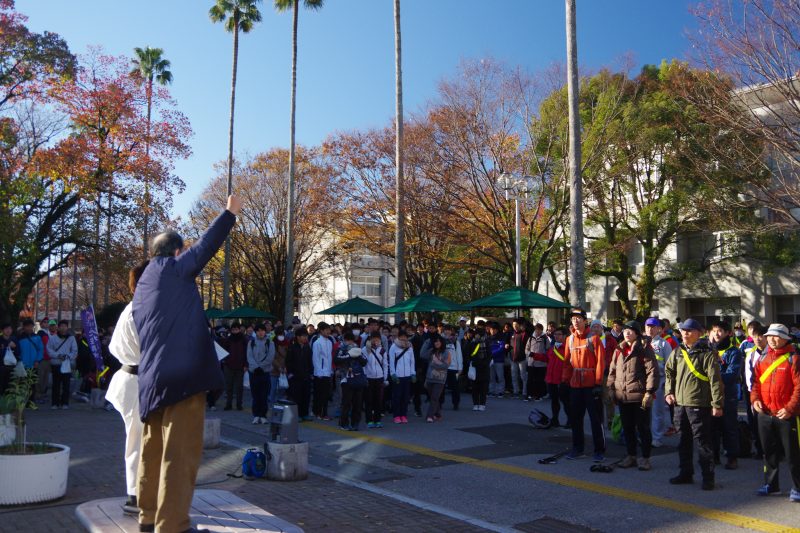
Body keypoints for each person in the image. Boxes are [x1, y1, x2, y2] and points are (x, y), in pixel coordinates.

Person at [133, 194, 240, 533]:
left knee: (152, 450)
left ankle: (148, 517)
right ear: (177, 252)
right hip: (183, 379)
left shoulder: (143, 285)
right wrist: (228, 214)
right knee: (179, 455)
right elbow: (207, 246)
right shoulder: (175, 270)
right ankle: (173, 525)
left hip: (151, 381)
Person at [107, 260, 149, 516]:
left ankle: (139, 491)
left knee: (140, 440)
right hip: (135, 380)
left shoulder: (132, 308)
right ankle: (135, 495)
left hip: (132, 379)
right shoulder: (140, 310)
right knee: (137, 440)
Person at [665, 318, 723, 491]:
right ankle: (685, 473)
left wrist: (717, 404)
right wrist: (669, 391)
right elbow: (669, 372)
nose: (685, 333)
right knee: (683, 440)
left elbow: (715, 380)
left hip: (699, 403)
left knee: (703, 442)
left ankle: (708, 477)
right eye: (683, 330)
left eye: (689, 331)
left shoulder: (706, 353)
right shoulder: (678, 352)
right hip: (680, 404)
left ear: (699, 333)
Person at [750, 323, 800, 501]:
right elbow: (755, 382)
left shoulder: (793, 359)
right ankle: (772, 486)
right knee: (768, 452)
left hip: (787, 415)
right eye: (769, 335)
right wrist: (755, 400)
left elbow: (799, 388)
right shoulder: (763, 358)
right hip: (765, 414)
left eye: (776, 336)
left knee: (793, 453)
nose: (771, 339)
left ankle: (798, 487)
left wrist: (789, 409)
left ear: (786, 338)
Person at [607, 321, 659, 470]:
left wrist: (649, 392)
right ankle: (631, 456)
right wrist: (611, 389)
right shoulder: (619, 349)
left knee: (643, 428)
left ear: (637, 333)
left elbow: (652, 372)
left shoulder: (644, 348)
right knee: (628, 427)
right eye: (625, 331)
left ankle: (645, 458)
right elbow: (612, 371)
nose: (627, 333)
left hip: (640, 396)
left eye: (630, 331)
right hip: (622, 396)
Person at [563, 307, 607, 461]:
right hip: (575, 384)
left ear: (584, 320)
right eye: (573, 319)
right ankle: (577, 448)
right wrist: (565, 380)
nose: (575, 321)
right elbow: (567, 363)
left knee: (596, 419)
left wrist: (598, 383)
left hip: (591, 385)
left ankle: (599, 450)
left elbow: (601, 362)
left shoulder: (594, 338)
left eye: (578, 318)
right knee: (575, 418)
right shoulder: (570, 339)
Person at [708, 320, 742, 469]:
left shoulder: (734, 352)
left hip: (728, 395)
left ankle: (732, 457)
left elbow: (731, 375)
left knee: (729, 426)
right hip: (710, 395)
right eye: (714, 330)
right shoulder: (707, 350)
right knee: (712, 427)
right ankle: (714, 455)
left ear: (729, 333)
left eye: (720, 330)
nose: (716, 333)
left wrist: (713, 378)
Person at [645, 318, 673, 447]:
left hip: (658, 382)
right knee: (644, 411)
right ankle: (645, 435)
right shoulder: (641, 343)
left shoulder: (664, 344)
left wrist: (668, 385)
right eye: (648, 326)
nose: (650, 329)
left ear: (659, 329)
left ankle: (657, 437)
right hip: (643, 382)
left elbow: (669, 366)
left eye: (653, 327)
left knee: (657, 412)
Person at [743, 324, 768, 458]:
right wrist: (753, 396)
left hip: (770, 394)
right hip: (756, 394)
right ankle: (760, 450)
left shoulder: (772, 353)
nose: (758, 339)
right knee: (756, 423)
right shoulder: (751, 355)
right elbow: (748, 377)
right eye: (756, 336)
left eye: (761, 336)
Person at [336, 337, 367, 431]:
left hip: (358, 380)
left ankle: (355, 423)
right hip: (346, 380)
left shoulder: (358, 349)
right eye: (347, 339)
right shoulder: (341, 350)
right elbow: (336, 360)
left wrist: (358, 355)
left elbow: (364, 362)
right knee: (346, 403)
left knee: (357, 404)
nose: (349, 342)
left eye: (351, 340)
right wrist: (349, 355)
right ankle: (343, 423)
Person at [47, 319, 77, 410]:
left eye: (65, 326)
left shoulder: (71, 338)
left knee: (66, 385)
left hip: (66, 364)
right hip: (56, 364)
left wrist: (68, 356)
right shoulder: (52, 338)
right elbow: (49, 350)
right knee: (55, 385)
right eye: (61, 326)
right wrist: (58, 355)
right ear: (58, 327)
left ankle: (65, 403)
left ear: (67, 327)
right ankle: (55, 403)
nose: (63, 328)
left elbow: (74, 351)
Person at [247, 323, 274, 424]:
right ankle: (256, 414)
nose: (261, 332)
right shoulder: (251, 342)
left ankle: (263, 415)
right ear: (256, 332)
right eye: (258, 330)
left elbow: (270, 357)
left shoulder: (270, 342)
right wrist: (255, 367)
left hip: (265, 372)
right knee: (255, 394)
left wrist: (261, 367)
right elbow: (249, 356)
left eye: (262, 330)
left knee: (264, 394)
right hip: (253, 372)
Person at [286, 327, 313, 421]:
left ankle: (304, 413)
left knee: (306, 396)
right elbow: (288, 362)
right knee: (296, 397)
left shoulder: (307, 347)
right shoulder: (292, 347)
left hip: (306, 376)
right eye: (303, 336)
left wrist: (310, 373)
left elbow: (310, 361)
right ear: (298, 337)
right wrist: (291, 374)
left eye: (306, 336)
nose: (305, 338)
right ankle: (296, 415)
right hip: (295, 377)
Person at [545, 327, 570, 428]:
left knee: (566, 402)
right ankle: (555, 419)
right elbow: (547, 358)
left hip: (562, 380)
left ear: (564, 336)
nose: (556, 336)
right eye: (555, 334)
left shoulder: (567, 348)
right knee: (554, 401)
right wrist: (535, 356)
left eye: (559, 334)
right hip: (551, 379)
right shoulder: (553, 347)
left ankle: (571, 420)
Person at [389, 330, 415, 424]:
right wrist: (393, 374)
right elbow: (391, 361)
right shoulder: (393, 347)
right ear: (398, 337)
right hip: (397, 375)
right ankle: (396, 415)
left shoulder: (410, 347)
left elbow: (412, 361)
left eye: (405, 337)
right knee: (397, 396)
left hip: (407, 375)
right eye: (402, 336)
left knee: (405, 397)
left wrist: (413, 373)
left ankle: (403, 415)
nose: (404, 338)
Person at [363, 331, 388, 428]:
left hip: (379, 378)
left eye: (378, 339)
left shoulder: (382, 350)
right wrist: (365, 376)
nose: (376, 341)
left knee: (378, 400)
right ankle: (369, 420)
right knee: (369, 400)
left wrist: (385, 377)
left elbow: (385, 365)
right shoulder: (365, 349)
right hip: (369, 378)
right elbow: (363, 364)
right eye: (374, 339)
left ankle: (377, 420)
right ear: (371, 339)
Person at [221, 323, 248, 411]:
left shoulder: (244, 339)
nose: (235, 331)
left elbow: (247, 353)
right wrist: (225, 362)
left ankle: (239, 404)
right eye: (233, 329)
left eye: (236, 329)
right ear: (231, 330)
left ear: (239, 330)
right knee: (229, 386)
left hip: (240, 366)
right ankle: (228, 404)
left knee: (239, 387)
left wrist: (246, 365)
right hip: (229, 366)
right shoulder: (228, 339)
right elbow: (224, 352)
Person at [426, 335, 452, 422]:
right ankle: (438, 414)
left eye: (438, 341)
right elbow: (422, 354)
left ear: (442, 342)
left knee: (434, 397)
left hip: (440, 379)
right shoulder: (431, 351)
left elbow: (445, 366)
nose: (436, 343)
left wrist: (434, 364)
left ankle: (430, 416)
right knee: (433, 398)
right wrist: (426, 343)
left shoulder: (446, 353)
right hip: (430, 377)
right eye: (435, 341)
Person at [311, 322, 334, 420]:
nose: (328, 331)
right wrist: (319, 371)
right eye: (326, 330)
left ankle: (324, 413)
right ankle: (317, 412)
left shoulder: (329, 342)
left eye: (329, 329)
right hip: (320, 373)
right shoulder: (317, 343)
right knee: (318, 394)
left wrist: (330, 370)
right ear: (321, 331)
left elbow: (330, 357)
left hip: (327, 372)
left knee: (326, 394)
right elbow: (315, 358)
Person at [464, 329, 490, 411]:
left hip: (484, 368)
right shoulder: (471, 344)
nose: (477, 336)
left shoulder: (486, 343)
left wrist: (485, 363)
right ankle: (475, 404)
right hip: (474, 367)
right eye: (476, 334)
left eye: (479, 335)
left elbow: (489, 355)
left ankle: (482, 404)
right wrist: (471, 363)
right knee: (475, 387)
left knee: (483, 388)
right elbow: (467, 355)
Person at [525, 323, 548, 401]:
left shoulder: (545, 338)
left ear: (542, 330)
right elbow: (526, 349)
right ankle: (529, 394)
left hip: (541, 363)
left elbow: (548, 349)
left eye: (539, 329)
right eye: (536, 329)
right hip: (531, 362)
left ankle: (539, 395)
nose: (538, 331)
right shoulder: (531, 338)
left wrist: (542, 356)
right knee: (530, 379)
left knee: (540, 380)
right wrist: (529, 353)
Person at [441, 324, 463, 410]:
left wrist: (460, 367)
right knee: (441, 387)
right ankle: (440, 403)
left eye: (449, 330)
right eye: (446, 330)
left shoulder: (455, 342)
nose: (447, 332)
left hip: (453, 368)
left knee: (455, 388)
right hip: (443, 367)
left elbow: (459, 355)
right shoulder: (441, 340)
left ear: (451, 331)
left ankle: (456, 404)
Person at [510, 318, 530, 400]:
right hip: (513, 358)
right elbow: (511, 345)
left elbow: (528, 346)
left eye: (516, 325)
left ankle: (525, 392)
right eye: (513, 325)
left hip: (522, 358)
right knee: (514, 376)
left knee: (523, 376)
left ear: (519, 325)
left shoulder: (524, 334)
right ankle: (516, 391)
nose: (515, 326)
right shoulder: (512, 334)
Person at [270, 326, 289, 407]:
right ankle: (272, 402)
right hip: (274, 369)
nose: (281, 336)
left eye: (282, 334)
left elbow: (289, 357)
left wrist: (285, 367)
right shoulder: (272, 343)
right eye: (279, 334)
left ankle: (280, 402)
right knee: (273, 388)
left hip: (284, 370)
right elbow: (272, 358)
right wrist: (279, 367)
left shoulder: (287, 343)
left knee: (282, 387)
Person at [486, 322, 506, 398]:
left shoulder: (501, 337)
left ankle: (501, 391)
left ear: (497, 330)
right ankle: (491, 391)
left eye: (494, 329)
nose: (493, 331)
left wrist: (491, 354)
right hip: (490, 360)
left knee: (500, 377)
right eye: (491, 329)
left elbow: (501, 348)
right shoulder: (488, 338)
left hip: (499, 360)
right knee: (491, 377)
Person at [1, 323, 19, 394]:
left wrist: (15, 347)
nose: (8, 330)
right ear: (2, 330)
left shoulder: (14, 339)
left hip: (12, 367)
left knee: (11, 388)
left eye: (10, 328)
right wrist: (5, 348)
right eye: (6, 329)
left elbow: (18, 352)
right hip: (2, 367)